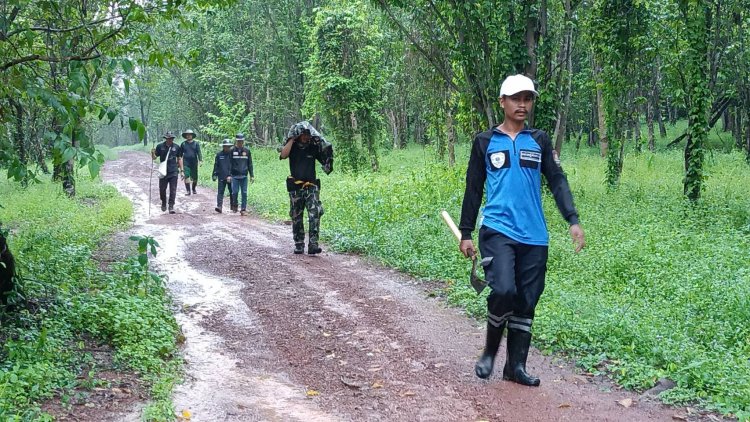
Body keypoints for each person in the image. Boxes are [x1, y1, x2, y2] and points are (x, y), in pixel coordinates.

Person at [458, 74, 585, 386]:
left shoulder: (539, 141)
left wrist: (572, 219)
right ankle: (489, 351)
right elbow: (473, 189)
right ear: (502, 102)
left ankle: (515, 367)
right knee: (503, 290)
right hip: (497, 230)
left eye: (527, 99)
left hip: (534, 236)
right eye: (516, 98)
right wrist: (465, 232)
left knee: (527, 300)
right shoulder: (485, 142)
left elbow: (557, 180)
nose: (522, 104)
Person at [279, 121, 334, 255]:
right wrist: (291, 139)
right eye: (303, 134)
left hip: (311, 186)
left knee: (315, 213)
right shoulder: (292, 147)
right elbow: (283, 155)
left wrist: (325, 150)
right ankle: (299, 244)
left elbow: (325, 157)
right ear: (298, 135)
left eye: (308, 135)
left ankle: (313, 244)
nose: (306, 137)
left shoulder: (312, 147)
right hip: (296, 187)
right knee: (296, 216)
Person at [151, 131, 184, 214]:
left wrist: (182, 171)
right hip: (163, 171)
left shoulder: (176, 147)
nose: (170, 140)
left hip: (173, 171)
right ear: (165, 138)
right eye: (168, 138)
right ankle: (163, 203)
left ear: (173, 139)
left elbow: (179, 159)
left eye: (171, 138)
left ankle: (171, 206)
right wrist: (152, 153)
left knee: (173, 189)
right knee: (162, 189)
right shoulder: (160, 146)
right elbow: (154, 158)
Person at [229, 133, 254, 216]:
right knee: (234, 192)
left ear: (243, 141)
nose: (240, 142)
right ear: (236, 141)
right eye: (239, 141)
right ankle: (235, 205)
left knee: (244, 193)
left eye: (241, 141)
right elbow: (229, 164)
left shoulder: (247, 151)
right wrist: (229, 175)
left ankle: (243, 209)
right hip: (234, 176)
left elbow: (250, 164)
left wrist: (252, 175)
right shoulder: (232, 150)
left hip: (244, 175)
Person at [212, 139, 233, 213]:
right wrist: (214, 174)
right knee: (220, 192)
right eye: (225, 146)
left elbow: (234, 166)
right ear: (223, 146)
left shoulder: (232, 155)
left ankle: (233, 207)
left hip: (231, 177)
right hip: (221, 176)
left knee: (232, 192)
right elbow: (216, 165)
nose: (227, 148)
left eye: (228, 146)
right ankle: (219, 206)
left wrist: (231, 175)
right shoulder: (219, 155)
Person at [180, 129, 203, 195]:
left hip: (194, 162)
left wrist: (200, 160)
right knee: (186, 176)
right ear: (185, 136)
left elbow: (199, 152)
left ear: (192, 135)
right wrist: (178, 163)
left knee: (195, 177)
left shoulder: (196, 144)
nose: (189, 136)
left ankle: (193, 188)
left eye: (190, 134)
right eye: (187, 135)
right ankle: (188, 191)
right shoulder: (183, 144)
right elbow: (180, 155)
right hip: (186, 162)